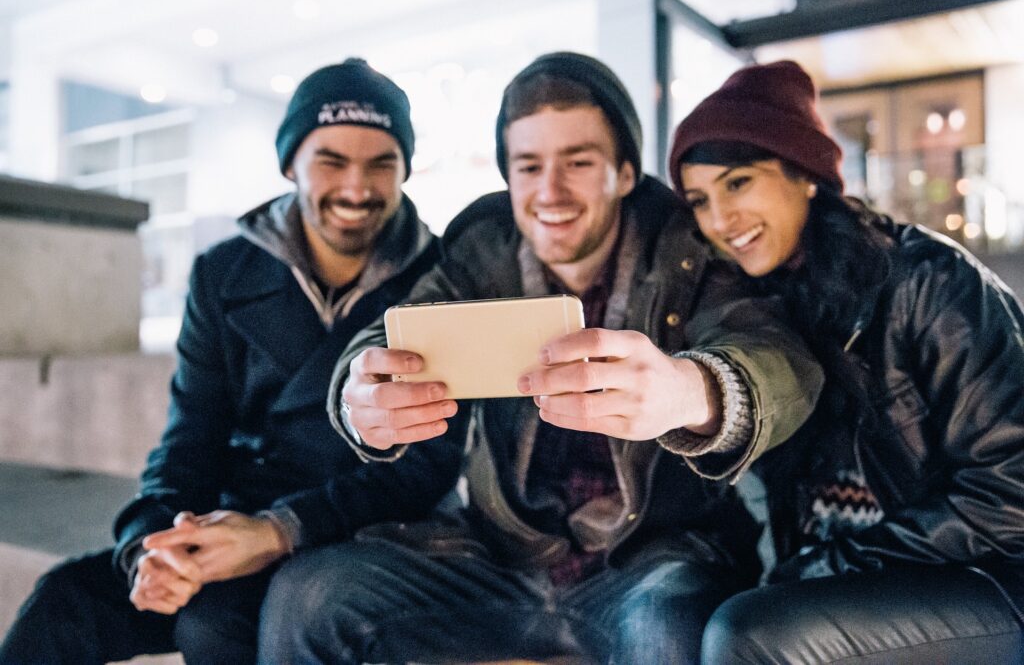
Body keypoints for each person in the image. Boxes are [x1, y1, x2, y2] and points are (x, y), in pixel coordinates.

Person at [257, 52, 822, 665]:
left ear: (625, 172)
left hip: (652, 564)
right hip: (497, 559)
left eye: (578, 162)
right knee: (308, 596)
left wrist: (691, 391)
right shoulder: (481, 252)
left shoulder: (686, 250)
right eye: (529, 166)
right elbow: (387, 339)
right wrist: (357, 393)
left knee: (675, 630)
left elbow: (777, 357)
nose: (550, 192)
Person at [0, 58, 462, 665]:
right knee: (65, 601)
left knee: (215, 621)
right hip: (234, 511)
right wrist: (154, 545)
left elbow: (423, 470)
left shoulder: (442, 279)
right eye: (331, 161)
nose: (356, 188)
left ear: (405, 168)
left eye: (381, 163)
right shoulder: (224, 274)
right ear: (289, 163)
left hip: (360, 525)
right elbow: (192, 433)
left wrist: (277, 531)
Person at [668, 60, 1024, 663]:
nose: (720, 220)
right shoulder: (762, 312)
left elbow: (1009, 496)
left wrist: (829, 566)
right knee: (679, 618)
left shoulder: (928, 281)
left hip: (986, 578)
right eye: (700, 200)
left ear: (805, 174)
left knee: (748, 634)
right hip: (860, 581)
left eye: (738, 183)